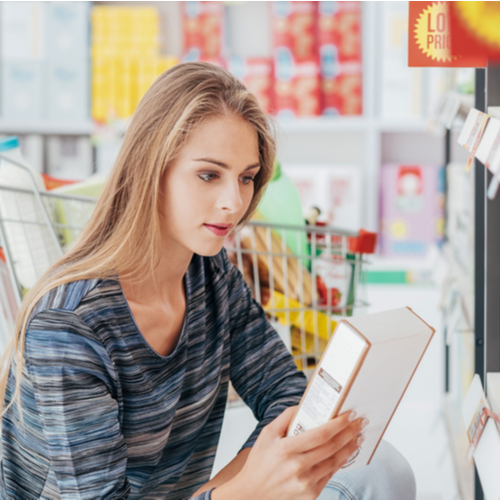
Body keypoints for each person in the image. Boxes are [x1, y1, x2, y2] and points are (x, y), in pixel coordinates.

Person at [0, 62, 415, 499]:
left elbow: (285, 394)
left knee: (382, 468)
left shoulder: (209, 274)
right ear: (149, 169)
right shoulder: (69, 326)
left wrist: (236, 487)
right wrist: (245, 492)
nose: (233, 202)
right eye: (208, 175)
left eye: (247, 178)